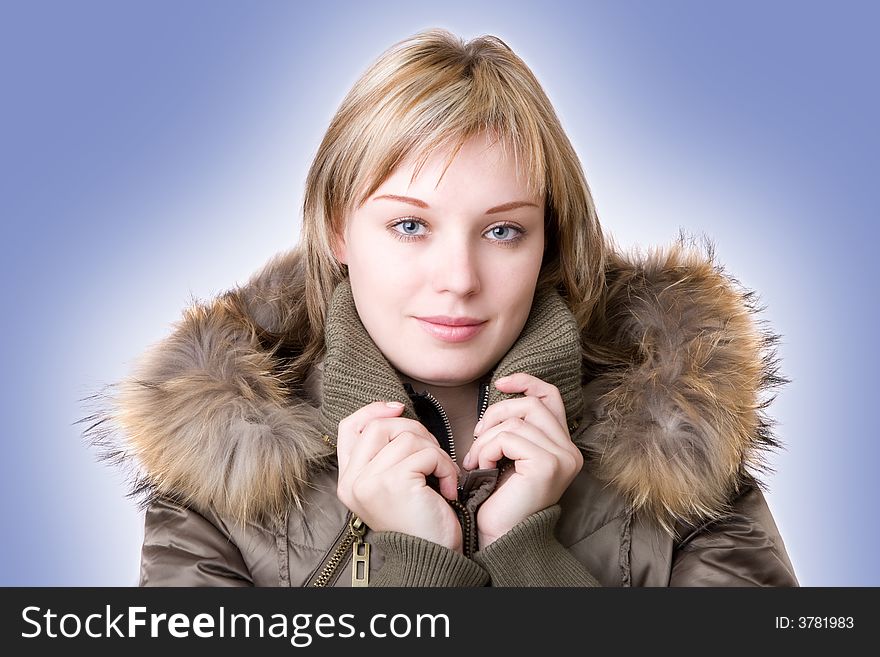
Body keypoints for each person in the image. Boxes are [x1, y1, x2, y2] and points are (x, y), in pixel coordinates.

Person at [86, 29, 798, 586]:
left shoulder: (681, 451)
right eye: (409, 226)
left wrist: (530, 559)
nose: (458, 278)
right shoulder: (220, 477)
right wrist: (411, 569)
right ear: (338, 228)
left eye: (502, 230)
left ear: (547, 239)